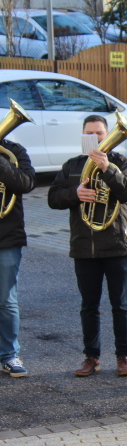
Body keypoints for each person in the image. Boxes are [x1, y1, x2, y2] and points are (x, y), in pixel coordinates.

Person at [48, 115, 127, 377]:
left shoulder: (122, 162)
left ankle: (124, 357)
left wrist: (107, 169)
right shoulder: (72, 166)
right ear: (83, 137)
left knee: (120, 304)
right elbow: (53, 198)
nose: (96, 138)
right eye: (90, 133)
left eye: (100, 133)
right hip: (84, 245)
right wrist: (73, 194)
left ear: (108, 134)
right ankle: (91, 357)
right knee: (89, 305)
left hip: (118, 243)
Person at [0, 133, 35, 378]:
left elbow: (26, 183)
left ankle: (10, 355)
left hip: (7, 237)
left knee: (6, 301)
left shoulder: (14, 151)